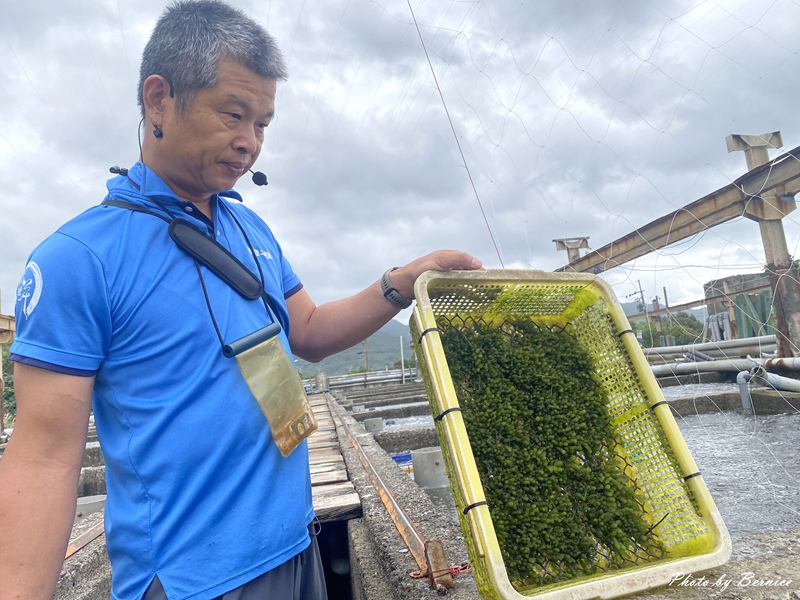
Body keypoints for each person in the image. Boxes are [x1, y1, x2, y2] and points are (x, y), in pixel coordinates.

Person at [0, 2, 481, 599]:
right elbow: (43, 455)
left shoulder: (251, 232)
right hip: (191, 579)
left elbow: (306, 328)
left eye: (263, 125)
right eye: (234, 114)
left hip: (295, 541)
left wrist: (399, 284)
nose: (249, 143)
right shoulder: (78, 258)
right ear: (158, 100)